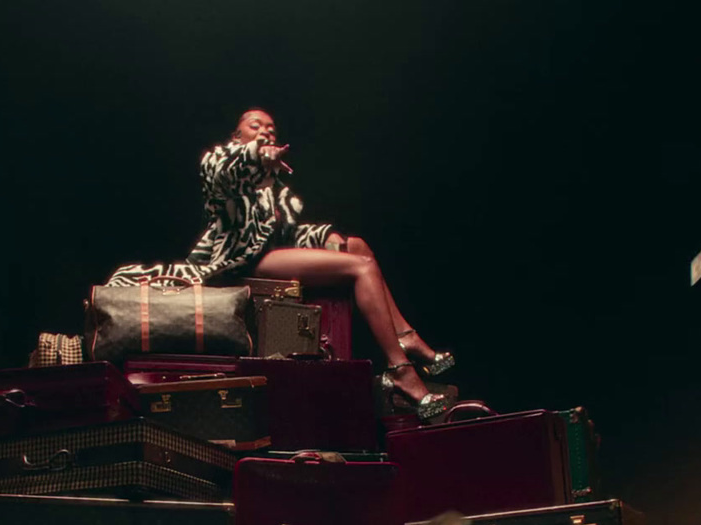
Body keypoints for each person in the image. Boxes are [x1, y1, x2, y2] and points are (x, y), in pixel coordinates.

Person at [108, 108, 455, 419]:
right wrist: (258, 156)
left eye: (271, 128)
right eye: (254, 126)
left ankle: (404, 335)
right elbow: (226, 174)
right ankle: (400, 368)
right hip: (236, 267)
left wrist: (327, 238)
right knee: (361, 269)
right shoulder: (220, 162)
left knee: (357, 248)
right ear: (237, 136)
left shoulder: (274, 190)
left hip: (269, 256)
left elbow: (288, 233)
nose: (265, 131)